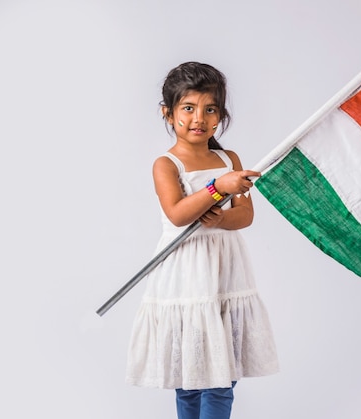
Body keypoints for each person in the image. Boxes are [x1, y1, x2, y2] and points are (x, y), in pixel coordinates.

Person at [126, 62, 279, 419]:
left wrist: (223, 217)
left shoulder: (228, 159)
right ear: (168, 113)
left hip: (225, 271)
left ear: (221, 115)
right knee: (191, 374)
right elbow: (178, 214)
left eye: (210, 109)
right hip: (186, 273)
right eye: (188, 108)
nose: (199, 118)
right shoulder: (166, 164)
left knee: (220, 376)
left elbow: (246, 215)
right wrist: (217, 188)